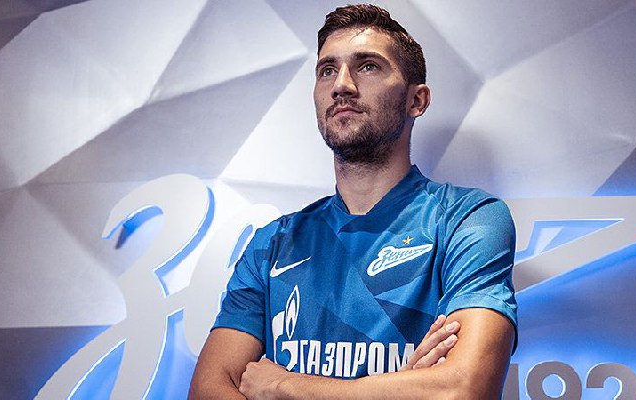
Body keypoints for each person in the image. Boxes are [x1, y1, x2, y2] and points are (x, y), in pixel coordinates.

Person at [189, 4, 517, 399]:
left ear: (416, 100)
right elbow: (207, 390)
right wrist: (399, 390)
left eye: (368, 66)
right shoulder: (272, 243)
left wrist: (280, 385)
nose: (341, 85)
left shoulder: (468, 219)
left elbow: (464, 388)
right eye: (327, 70)